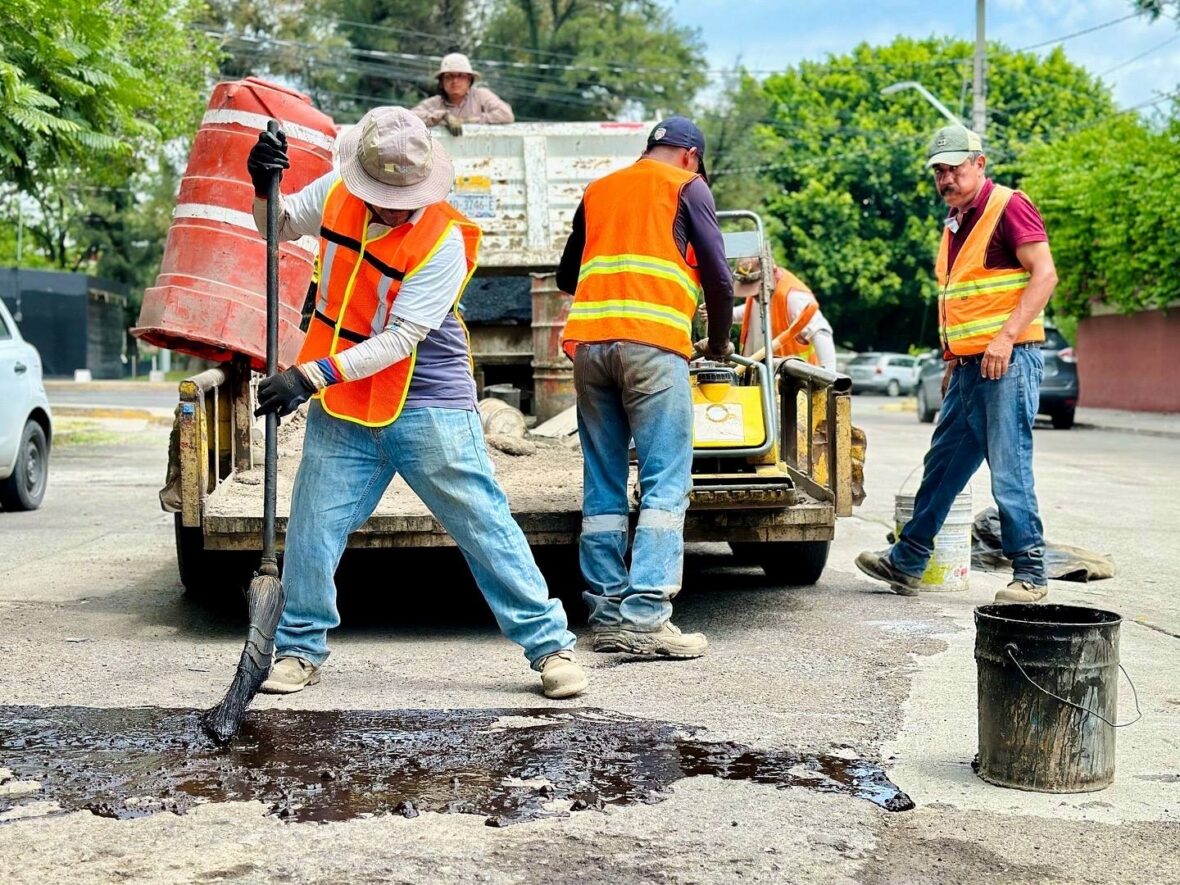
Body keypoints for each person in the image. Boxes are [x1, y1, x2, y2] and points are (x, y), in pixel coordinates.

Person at [243, 106, 586, 699]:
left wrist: (306, 377)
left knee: (480, 522)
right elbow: (277, 228)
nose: (395, 207)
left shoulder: (443, 239)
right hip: (345, 399)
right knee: (313, 525)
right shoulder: (336, 191)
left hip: (426, 400)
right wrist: (262, 186)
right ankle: (299, 650)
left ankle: (550, 648)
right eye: (383, 194)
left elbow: (401, 340)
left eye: (406, 197)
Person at [856, 124, 1057, 604]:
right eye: (939, 171)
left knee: (1009, 467)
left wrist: (1005, 339)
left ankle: (1030, 574)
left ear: (979, 163)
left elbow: (1044, 275)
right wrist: (952, 359)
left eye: (954, 168)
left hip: (1006, 363)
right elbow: (961, 300)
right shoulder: (954, 223)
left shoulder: (1009, 206)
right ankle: (907, 562)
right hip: (968, 368)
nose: (946, 178)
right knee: (942, 467)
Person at [556, 116, 734, 659]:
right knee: (664, 481)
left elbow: (567, 275)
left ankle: (607, 611)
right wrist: (719, 345)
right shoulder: (687, 186)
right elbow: (721, 279)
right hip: (653, 347)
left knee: (603, 479)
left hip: (589, 346)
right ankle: (647, 616)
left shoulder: (600, 189)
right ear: (690, 156)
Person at [728, 258, 837, 371]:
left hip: (794, 383)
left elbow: (821, 332)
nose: (752, 296)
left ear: (770, 276)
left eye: (754, 290)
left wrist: (829, 375)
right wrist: (719, 315)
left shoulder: (793, 297)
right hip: (762, 377)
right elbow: (749, 313)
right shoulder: (762, 292)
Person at [411, 52, 514, 135]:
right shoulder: (435, 103)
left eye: (461, 76)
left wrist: (469, 121)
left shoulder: (481, 96)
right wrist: (443, 117)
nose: (455, 81)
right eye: (449, 76)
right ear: (441, 82)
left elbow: (506, 115)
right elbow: (409, 118)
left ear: (469, 80)